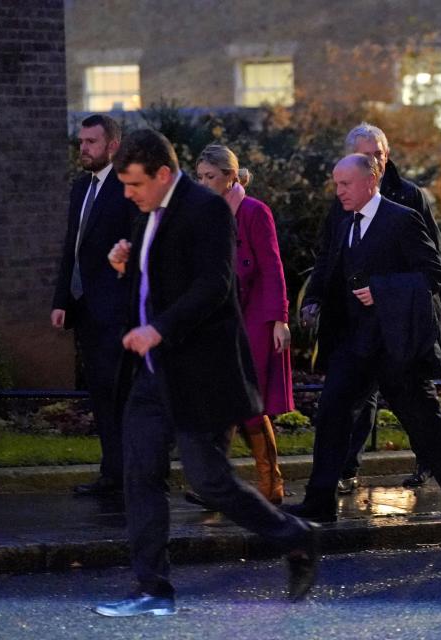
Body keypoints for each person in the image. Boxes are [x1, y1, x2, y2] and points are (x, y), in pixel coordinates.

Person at [93, 129, 316, 617]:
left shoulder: (208, 209)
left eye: (134, 184)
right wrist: (123, 266)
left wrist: (160, 330)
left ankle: (296, 537)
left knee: (210, 481)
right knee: (139, 475)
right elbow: (156, 280)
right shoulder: (147, 211)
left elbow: (216, 285)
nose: (127, 193)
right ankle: (153, 589)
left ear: (163, 174)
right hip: (152, 376)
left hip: (202, 373)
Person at [289, 153, 441, 523]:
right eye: (336, 183)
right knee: (331, 413)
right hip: (352, 342)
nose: (338, 190)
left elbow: (433, 273)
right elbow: (329, 264)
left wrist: (381, 289)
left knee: (422, 417)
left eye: (345, 184)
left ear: (370, 181)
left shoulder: (402, 219)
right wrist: (313, 300)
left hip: (397, 342)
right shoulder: (343, 219)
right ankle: (320, 501)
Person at [193, 144, 291, 505]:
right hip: (220, 316)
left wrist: (280, 318)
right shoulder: (204, 213)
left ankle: (270, 481)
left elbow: (272, 266)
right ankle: (218, 485)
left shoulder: (253, 211)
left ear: (231, 176)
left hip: (254, 316)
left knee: (250, 400)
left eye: (211, 177)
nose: (204, 183)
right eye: (200, 177)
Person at [51, 114, 140, 497]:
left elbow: (140, 249)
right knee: (101, 393)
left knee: (122, 394)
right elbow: (72, 245)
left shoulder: (128, 188)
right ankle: (112, 474)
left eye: (90, 142)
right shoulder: (80, 187)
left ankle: (131, 475)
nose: (83, 148)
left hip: (118, 311)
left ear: (112, 146)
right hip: (85, 308)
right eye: (81, 141)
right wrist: (61, 300)